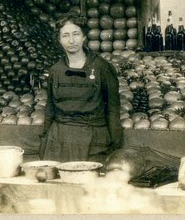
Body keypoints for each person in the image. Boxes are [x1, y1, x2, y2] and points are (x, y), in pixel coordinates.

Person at [39, 10, 123, 162]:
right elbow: (50, 108)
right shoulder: (55, 70)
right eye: (65, 35)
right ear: (59, 39)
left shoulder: (102, 68)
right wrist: (45, 140)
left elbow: (112, 109)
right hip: (59, 141)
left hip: (93, 141)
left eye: (76, 34)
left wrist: (114, 146)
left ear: (84, 36)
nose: (71, 40)